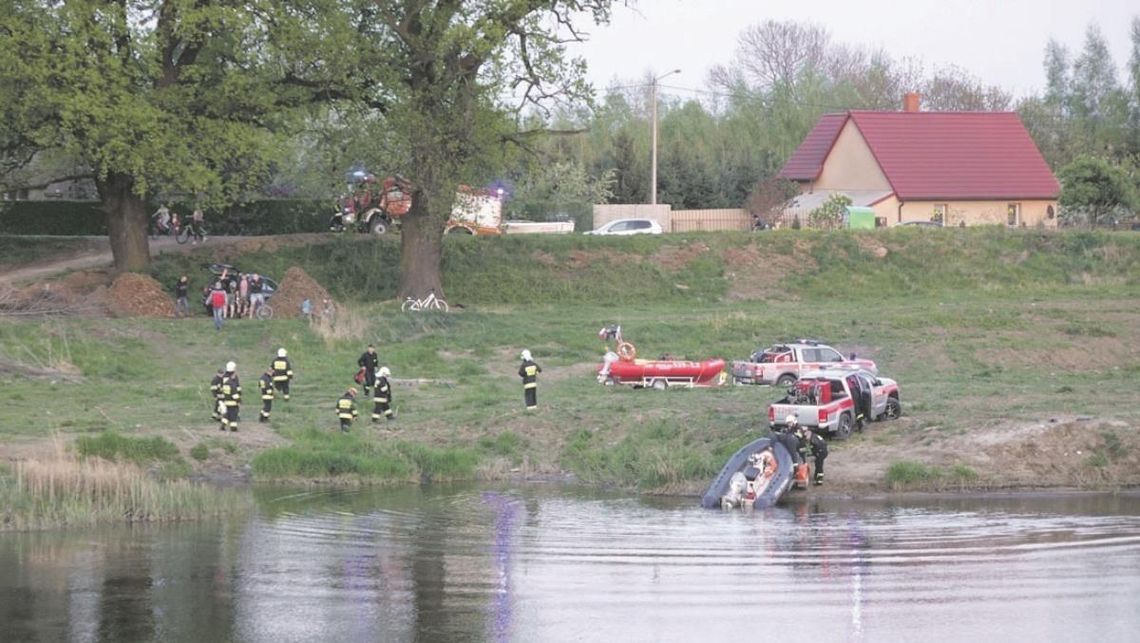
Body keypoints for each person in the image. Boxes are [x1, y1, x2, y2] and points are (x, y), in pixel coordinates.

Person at [786, 415, 828, 486]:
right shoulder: (813, 436)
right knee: (817, 464)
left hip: (821, 451)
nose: (805, 435)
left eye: (790, 423)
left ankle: (819, 481)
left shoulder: (812, 439)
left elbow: (811, 446)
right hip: (820, 450)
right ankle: (816, 477)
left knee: (819, 465)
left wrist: (815, 454)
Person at [219, 361, 241, 432]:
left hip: (226, 399)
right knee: (233, 415)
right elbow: (235, 392)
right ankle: (233, 428)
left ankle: (223, 425)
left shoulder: (225, 379)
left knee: (227, 414)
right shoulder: (232, 383)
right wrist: (239, 400)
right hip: (233, 401)